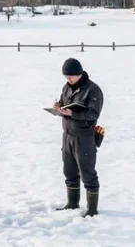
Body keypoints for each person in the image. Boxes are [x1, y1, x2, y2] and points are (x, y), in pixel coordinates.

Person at [53, 58, 103, 217]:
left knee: (88, 172)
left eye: (71, 76)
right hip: (67, 135)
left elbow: (93, 113)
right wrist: (58, 108)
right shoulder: (66, 88)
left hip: (84, 136)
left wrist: (73, 114)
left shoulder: (93, 90)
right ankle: (72, 203)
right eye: (66, 77)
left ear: (79, 73)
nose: (69, 79)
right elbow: (63, 103)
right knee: (69, 171)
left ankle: (92, 210)